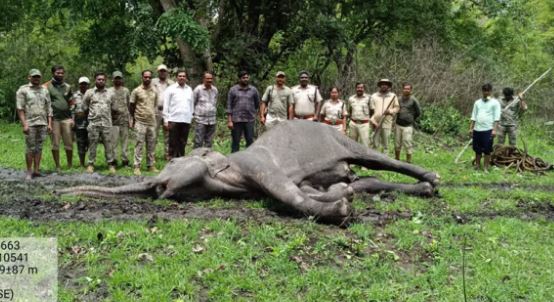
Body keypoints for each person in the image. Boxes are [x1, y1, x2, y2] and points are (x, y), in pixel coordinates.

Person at [16, 69, 53, 180]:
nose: (36, 78)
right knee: (30, 149)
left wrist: (50, 124)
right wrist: (24, 124)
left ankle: (36, 170)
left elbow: (49, 107)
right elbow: (20, 108)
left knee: (39, 148)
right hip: (30, 123)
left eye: (38, 77)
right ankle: (29, 171)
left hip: (42, 123)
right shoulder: (23, 90)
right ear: (29, 77)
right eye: (34, 76)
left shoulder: (44, 90)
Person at [82, 72, 117, 174]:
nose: (101, 81)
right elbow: (84, 107)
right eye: (99, 79)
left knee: (108, 145)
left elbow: (114, 108)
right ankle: (90, 164)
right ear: (95, 80)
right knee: (92, 145)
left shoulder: (111, 93)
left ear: (105, 81)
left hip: (106, 124)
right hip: (93, 124)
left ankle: (110, 164)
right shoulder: (89, 92)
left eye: (103, 79)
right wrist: (91, 117)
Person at [44, 65, 73, 172]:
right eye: (58, 73)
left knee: (69, 143)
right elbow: (44, 104)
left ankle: (70, 165)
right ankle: (57, 166)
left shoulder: (68, 87)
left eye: (62, 73)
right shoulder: (46, 86)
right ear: (53, 73)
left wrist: (72, 118)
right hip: (54, 119)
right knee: (55, 144)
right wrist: (48, 122)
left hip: (66, 119)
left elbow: (71, 103)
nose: (60, 75)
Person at [130, 70, 159, 176]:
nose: (147, 79)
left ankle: (151, 165)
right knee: (139, 144)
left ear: (151, 78)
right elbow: (132, 106)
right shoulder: (136, 91)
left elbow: (155, 104)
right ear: (142, 77)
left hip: (152, 122)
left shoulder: (155, 91)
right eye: (145, 77)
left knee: (151, 144)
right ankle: (137, 166)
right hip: (140, 121)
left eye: (149, 77)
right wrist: (132, 119)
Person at [469, 83, 501, 171]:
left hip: (488, 129)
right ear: (482, 91)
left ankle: (486, 167)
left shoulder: (495, 103)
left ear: (491, 91)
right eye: (484, 91)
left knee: (487, 150)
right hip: (477, 129)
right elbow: (474, 116)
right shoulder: (477, 102)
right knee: (477, 149)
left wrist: (494, 130)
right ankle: (477, 165)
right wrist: (471, 128)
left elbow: (497, 118)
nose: (486, 92)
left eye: (488, 91)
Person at [163, 69, 194, 158]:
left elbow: (191, 105)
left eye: (183, 76)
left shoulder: (189, 89)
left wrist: (190, 117)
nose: (182, 78)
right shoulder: (170, 89)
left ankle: (181, 161)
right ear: (176, 77)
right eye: (180, 76)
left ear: (186, 78)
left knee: (183, 142)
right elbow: (166, 105)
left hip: (185, 120)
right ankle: (172, 161)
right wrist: (166, 120)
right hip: (173, 120)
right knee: (173, 142)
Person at [226, 71, 260, 153]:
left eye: (247, 77)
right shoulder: (233, 90)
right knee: (235, 141)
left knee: (250, 141)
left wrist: (253, 113)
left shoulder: (253, 90)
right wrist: (229, 121)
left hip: (249, 120)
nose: (245, 79)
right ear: (239, 79)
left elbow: (257, 103)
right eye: (243, 78)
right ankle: (233, 161)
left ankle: (249, 160)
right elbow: (229, 106)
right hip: (236, 120)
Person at [108, 71, 131, 166]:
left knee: (125, 142)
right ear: (112, 79)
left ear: (122, 79)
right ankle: (113, 160)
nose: (118, 80)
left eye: (119, 78)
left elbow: (129, 105)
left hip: (124, 120)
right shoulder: (108, 91)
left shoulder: (126, 91)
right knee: (113, 142)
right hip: (113, 121)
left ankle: (125, 160)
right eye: (116, 78)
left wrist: (130, 119)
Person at [152, 64, 175, 160]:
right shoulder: (152, 82)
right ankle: (151, 155)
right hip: (155, 111)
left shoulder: (172, 83)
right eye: (161, 71)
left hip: (168, 112)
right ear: (158, 72)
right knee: (153, 134)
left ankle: (168, 154)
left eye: (164, 71)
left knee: (168, 135)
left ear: (167, 72)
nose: (162, 73)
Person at [370, 78, 399, 153]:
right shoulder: (374, 96)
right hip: (375, 123)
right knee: (375, 143)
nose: (384, 86)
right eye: (382, 84)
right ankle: (374, 161)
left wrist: (390, 111)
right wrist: (373, 121)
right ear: (380, 85)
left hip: (387, 123)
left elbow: (397, 108)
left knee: (385, 144)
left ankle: (384, 161)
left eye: (386, 84)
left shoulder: (393, 96)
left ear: (388, 86)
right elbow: (371, 111)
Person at [394, 83, 421, 163]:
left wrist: (411, 118)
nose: (406, 90)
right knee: (397, 142)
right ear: (402, 89)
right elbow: (395, 109)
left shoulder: (414, 100)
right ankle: (396, 159)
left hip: (408, 126)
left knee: (407, 142)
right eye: (405, 88)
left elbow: (418, 112)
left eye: (408, 89)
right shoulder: (398, 99)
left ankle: (408, 161)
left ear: (411, 90)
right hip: (398, 124)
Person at [193, 72, 218, 148]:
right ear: (203, 79)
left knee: (209, 141)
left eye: (211, 78)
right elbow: (193, 103)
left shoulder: (215, 90)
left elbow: (215, 102)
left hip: (212, 120)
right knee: (198, 141)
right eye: (207, 78)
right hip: (200, 120)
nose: (209, 80)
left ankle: (206, 158)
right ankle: (196, 158)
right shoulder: (198, 89)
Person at [71, 77, 90, 167]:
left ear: (88, 85)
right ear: (79, 85)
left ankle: (90, 163)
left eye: (85, 84)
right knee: (80, 143)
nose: (83, 85)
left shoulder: (91, 94)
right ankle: (82, 163)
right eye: (82, 84)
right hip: (79, 123)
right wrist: (72, 120)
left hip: (91, 123)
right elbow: (71, 109)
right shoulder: (74, 95)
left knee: (90, 143)